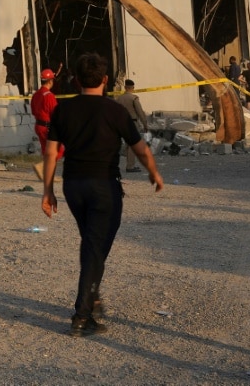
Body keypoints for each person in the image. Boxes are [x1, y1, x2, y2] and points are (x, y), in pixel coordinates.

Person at [40, 53, 163, 336]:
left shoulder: (63, 110)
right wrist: (153, 172)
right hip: (104, 187)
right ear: (105, 80)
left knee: (92, 244)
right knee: (95, 248)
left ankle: (92, 299)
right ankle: (82, 316)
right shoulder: (115, 111)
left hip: (74, 186)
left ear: (76, 79)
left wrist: (48, 190)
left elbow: (50, 152)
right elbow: (139, 147)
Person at [31, 66, 64, 179]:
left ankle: (47, 174)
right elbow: (55, 114)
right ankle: (45, 169)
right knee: (57, 151)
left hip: (38, 126)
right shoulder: (49, 96)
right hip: (47, 127)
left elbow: (33, 111)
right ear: (50, 81)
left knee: (46, 150)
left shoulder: (36, 95)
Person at [117, 79, 149, 173]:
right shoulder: (134, 98)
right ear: (133, 88)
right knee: (132, 145)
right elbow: (140, 112)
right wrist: (145, 124)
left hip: (121, 123)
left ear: (125, 87)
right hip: (132, 123)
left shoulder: (119, 98)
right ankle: (130, 166)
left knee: (127, 144)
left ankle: (128, 164)